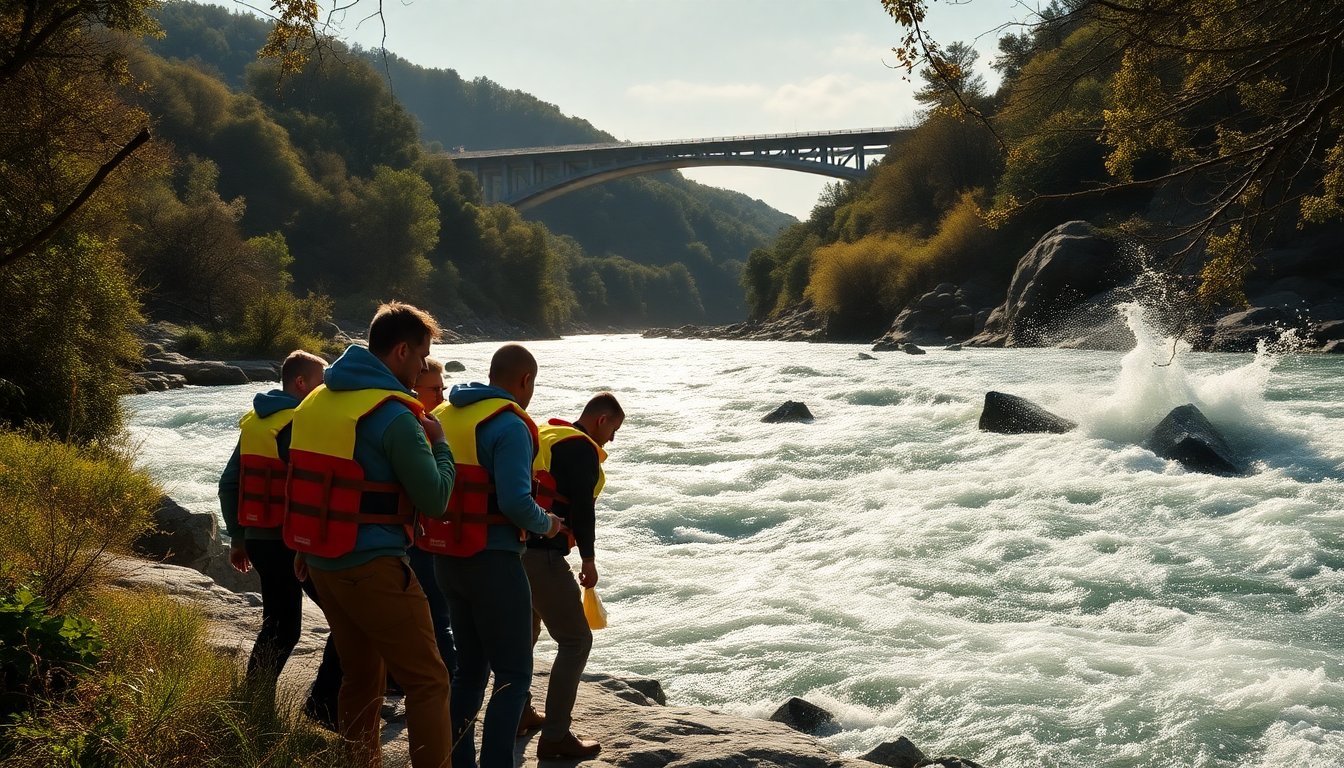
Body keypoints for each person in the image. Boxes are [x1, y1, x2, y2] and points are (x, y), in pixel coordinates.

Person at [283, 302, 456, 768]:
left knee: (360, 678)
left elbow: (304, 480)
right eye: (421, 355)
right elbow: (435, 499)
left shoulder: (316, 400)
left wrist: (302, 545)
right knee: (429, 681)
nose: (422, 366)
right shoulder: (394, 416)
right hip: (374, 566)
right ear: (401, 351)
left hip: (321, 561)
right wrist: (441, 446)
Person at [427, 344, 562, 768]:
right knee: (514, 675)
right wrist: (549, 524)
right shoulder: (509, 425)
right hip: (494, 562)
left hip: (446, 558)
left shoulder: (444, 414)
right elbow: (516, 503)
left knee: (469, 672)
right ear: (525, 380)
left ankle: (458, 763)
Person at [217, 349, 343, 725]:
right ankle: (322, 705)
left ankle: (254, 705)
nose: (326, 388)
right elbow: (311, 487)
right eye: (321, 381)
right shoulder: (300, 422)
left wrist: (239, 538)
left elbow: (229, 484)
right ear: (301, 383)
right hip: (292, 541)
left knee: (279, 626)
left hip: (260, 539)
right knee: (347, 618)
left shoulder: (257, 421)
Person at [524, 393, 624, 760]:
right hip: (543, 555)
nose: (612, 438)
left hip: (511, 549)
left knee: (525, 635)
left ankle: (519, 713)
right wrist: (589, 559)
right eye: (614, 429)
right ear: (601, 420)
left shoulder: (547, 434)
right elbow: (582, 507)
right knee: (576, 641)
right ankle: (555, 737)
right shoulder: (582, 449)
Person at [408, 358, 457, 678]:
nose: (442, 396)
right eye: (435, 389)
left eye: (443, 388)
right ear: (415, 389)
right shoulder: (414, 427)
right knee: (438, 612)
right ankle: (449, 679)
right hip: (416, 538)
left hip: (420, 535)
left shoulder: (424, 422)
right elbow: (433, 493)